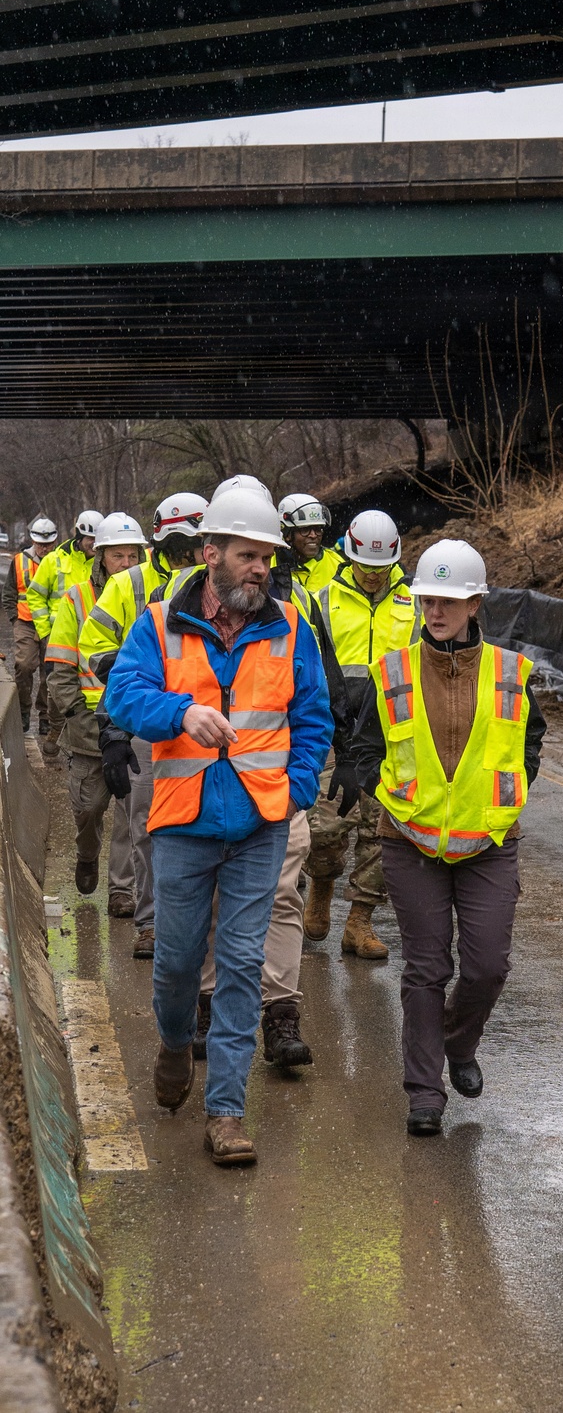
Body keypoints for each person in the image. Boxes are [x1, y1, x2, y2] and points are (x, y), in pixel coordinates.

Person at [103, 487, 332, 1166]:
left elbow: (314, 717)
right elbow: (122, 694)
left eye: (267, 557)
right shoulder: (159, 624)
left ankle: (227, 1112)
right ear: (211, 555)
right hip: (181, 823)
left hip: (262, 823)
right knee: (176, 964)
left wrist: (295, 789)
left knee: (238, 964)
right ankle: (175, 1044)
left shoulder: (290, 626)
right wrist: (180, 714)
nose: (261, 568)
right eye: (247, 555)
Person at [353, 538, 546, 1136]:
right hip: (410, 841)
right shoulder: (393, 671)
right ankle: (424, 1092)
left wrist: (508, 797)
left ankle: (459, 1045)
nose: (435, 612)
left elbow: (530, 741)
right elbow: (364, 744)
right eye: (428, 600)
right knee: (425, 967)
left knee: (487, 967)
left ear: (475, 605)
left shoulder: (510, 672)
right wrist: (372, 786)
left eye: (449, 601)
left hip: (488, 841)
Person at [81, 493, 207, 959]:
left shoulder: (220, 580)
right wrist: (132, 679)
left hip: (206, 723)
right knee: (147, 824)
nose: (190, 552)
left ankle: (194, 926)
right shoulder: (130, 584)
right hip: (148, 724)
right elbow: (93, 641)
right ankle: (151, 924)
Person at [308, 509, 418, 958]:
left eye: (380, 568)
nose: (372, 577)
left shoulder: (412, 602)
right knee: (323, 827)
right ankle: (321, 888)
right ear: (348, 556)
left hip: (393, 735)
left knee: (383, 832)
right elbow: (309, 669)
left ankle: (360, 921)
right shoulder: (320, 600)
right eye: (364, 567)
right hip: (334, 731)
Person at [46, 513, 144, 911]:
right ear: (100, 556)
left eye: (132, 554)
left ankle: (121, 889)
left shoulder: (152, 593)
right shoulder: (77, 598)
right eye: (117, 555)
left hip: (136, 721)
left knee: (132, 812)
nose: (125, 562)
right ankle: (87, 856)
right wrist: (76, 714)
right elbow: (61, 667)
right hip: (89, 727)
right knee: (89, 810)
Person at [26, 509, 103, 757]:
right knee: (58, 685)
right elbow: (35, 595)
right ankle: (56, 728)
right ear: (78, 536)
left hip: (94, 636)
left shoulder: (104, 563)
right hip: (60, 636)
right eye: (89, 539)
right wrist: (46, 631)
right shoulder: (54, 560)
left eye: (97, 539)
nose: (93, 544)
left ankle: (86, 733)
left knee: (92, 686)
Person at [2, 515, 58, 735]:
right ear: (33, 540)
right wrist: (14, 618)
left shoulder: (60, 562)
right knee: (24, 666)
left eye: (48, 544)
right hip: (25, 622)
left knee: (50, 672)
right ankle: (23, 712)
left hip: (54, 624)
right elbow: (9, 592)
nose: (44, 548)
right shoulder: (19, 560)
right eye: (40, 543)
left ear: (54, 541)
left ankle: (45, 716)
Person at [277, 492, 340, 593]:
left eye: (318, 529)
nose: (313, 535)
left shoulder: (338, 566)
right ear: (287, 534)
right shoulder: (268, 564)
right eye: (305, 529)